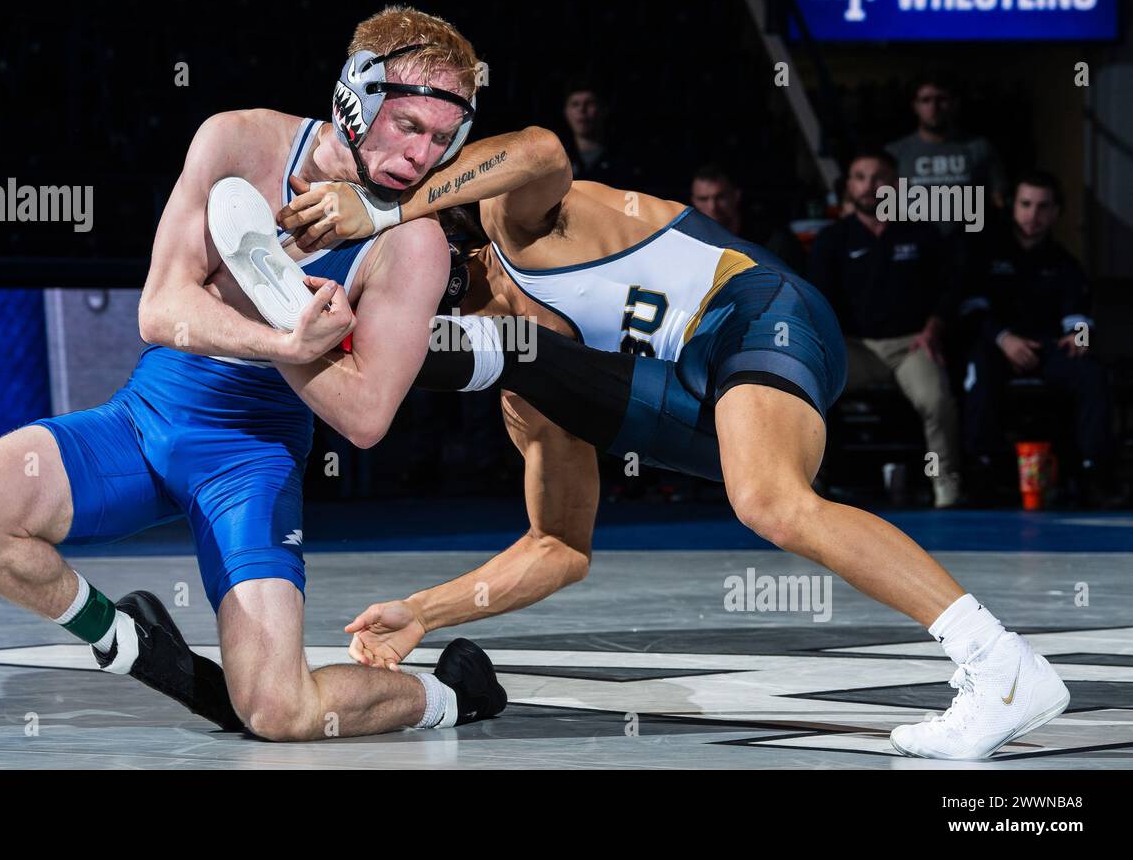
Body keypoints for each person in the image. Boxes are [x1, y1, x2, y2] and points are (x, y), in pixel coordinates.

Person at [291, 148, 1071, 760]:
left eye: (424, 302)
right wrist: (421, 613)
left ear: (455, 258)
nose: (426, 312)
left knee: (766, 498)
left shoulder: (519, 222)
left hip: (757, 310)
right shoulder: (527, 384)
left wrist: (383, 202)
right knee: (539, 369)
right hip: (700, 384)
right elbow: (558, 546)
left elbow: (538, 147)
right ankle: (994, 668)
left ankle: (996, 660)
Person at [0, 6, 530, 741]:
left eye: (442, 139)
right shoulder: (239, 141)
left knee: (281, 710)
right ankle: (126, 644)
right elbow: (158, 309)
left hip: (250, 461)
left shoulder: (414, 244)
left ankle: (451, 692)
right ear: (354, 99)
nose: (420, 156)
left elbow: (367, 415)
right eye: (408, 125)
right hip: (144, 419)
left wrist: (293, 342)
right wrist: (290, 342)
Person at [808, 149, 964, 508]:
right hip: (853, 349)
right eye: (860, 177)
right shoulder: (832, 239)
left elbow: (949, 291)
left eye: (879, 177)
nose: (869, 186)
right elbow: (815, 301)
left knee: (936, 401)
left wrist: (933, 329)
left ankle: (946, 485)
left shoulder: (923, 234)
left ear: (896, 184)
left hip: (910, 346)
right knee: (810, 387)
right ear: (848, 186)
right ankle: (811, 481)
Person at [961, 170, 1125, 508]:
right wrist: (1004, 339)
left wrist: (1080, 336)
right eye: (1025, 204)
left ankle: (1093, 472)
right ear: (1012, 206)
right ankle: (984, 471)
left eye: (1042, 206)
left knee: (1092, 374)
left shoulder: (1065, 263)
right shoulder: (986, 254)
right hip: (998, 346)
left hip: (1048, 349)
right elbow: (970, 310)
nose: (1032, 215)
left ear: (1055, 212)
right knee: (977, 371)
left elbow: (1079, 318)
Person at [886, 71, 1008, 231]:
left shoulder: (978, 147)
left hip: (969, 245)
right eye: (925, 100)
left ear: (954, 103)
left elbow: (998, 200)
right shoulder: (895, 153)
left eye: (941, 99)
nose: (933, 107)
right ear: (915, 106)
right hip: (914, 246)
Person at [691, 164, 805, 274]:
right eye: (703, 199)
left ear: (736, 195)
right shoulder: (689, 244)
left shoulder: (771, 240)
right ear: (694, 201)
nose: (712, 207)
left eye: (720, 197)